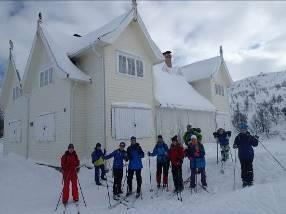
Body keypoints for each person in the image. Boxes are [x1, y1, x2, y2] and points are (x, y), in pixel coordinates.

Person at [233, 123, 259, 187]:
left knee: (249, 167)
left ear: (246, 129)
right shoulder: (238, 137)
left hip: (249, 155)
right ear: (240, 130)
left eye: (244, 129)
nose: (243, 130)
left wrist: (256, 139)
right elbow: (235, 145)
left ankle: (250, 180)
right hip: (241, 155)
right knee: (243, 168)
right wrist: (235, 145)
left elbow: (255, 144)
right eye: (242, 129)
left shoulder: (249, 136)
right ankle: (244, 181)